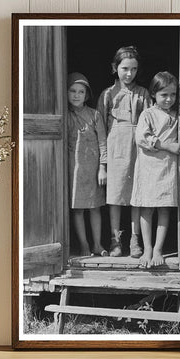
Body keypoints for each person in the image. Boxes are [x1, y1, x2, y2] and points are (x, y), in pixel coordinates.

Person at [97, 46, 152, 258]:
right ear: (115, 68)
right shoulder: (107, 94)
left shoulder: (144, 94)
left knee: (136, 195)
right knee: (116, 195)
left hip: (137, 148)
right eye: (124, 68)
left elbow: (149, 122)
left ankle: (135, 239)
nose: (129, 73)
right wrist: (103, 161)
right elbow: (100, 127)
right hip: (114, 148)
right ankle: (115, 240)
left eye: (134, 69)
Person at [131, 72, 180, 268]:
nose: (169, 99)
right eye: (164, 95)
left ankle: (159, 249)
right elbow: (141, 138)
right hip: (149, 168)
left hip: (168, 169)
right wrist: (166, 145)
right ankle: (147, 249)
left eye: (173, 94)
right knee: (147, 208)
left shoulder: (178, 114)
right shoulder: (148, 114)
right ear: (153, 94)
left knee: (164, 207)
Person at [67, 72, 108, 257]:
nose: (76, 95)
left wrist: (103, 167)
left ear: (87, 94)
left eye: (81, 91)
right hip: (73, 169)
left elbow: (102, 142)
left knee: (95, 207)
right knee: (78, 209)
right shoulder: (65, 116)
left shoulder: (95, 115)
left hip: (93, 168)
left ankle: (97, 244)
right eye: (72, 90)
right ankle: (83, 245)